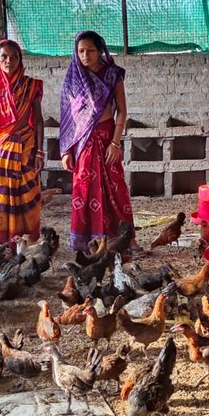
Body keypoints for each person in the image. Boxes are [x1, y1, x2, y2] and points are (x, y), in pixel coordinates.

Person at [59, 30, 135, 252]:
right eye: (81, 51)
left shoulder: (112, 74)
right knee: (85, 191)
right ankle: (87, 242)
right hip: (82, 143)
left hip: (106, 138)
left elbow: (121, 111)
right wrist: (66, 150)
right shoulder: (73, 77)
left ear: (100, 50)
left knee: (116, 188)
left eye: (90, 50)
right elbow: (68, 118)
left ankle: (125, 239)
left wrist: (115, 142)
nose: (85, 55)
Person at [0, 39, 45, 244]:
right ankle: (7, 242)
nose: (9, 60)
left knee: (28, 195)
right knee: (5, 196)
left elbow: (38, 121)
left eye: (14, 56)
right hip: (3, 151)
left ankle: (29, 240)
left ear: (20, 59)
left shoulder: (31, 85)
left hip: (27, 146)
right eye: (4, 57)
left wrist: (40, 152)